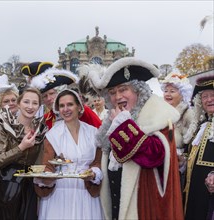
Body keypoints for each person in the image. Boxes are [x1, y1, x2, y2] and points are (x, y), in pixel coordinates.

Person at [80, 57, 183, 220]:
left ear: (138, 90)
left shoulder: (158, 116)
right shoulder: (112, 121)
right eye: (112, 92)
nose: (117, 96)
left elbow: (154, 156)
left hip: (146, 208)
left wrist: (123, 126)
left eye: (123, 89)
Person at [34, 89, 103, 219]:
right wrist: (47, 176)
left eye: (70, 104)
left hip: (86, 196)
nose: (66, 109)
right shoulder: (52, 135)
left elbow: (97, 162)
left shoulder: (93, 133)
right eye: (61, 106)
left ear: (79, 106)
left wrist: (93, 173)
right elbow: (47, 165)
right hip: (59, 196)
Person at [0, 87, 47, 220]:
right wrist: (21, 147)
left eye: (35, 103)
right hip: (5, 187)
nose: (30, 106)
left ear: (39, 106)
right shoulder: (4, 127)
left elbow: (37, 163)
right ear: (18, 103)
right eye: (26, 102)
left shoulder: (40, 130)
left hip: (28, 189)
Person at [25, 61, 102, 129]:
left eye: (52, 93)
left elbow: (101, 134)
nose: (49, 98)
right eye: (45, 96)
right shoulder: (46, 119)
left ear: (60, 93)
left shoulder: (82, 112)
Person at [183, 74, 214, 220]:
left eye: (213, 95)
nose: (209, 99)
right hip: (194, 191)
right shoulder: (200, 127)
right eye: (205, 96)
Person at [160, 72, 194, 189]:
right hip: (159, 165)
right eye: (166, 91)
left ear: (182, 94)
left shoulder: (189, 114)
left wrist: (183, 159)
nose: (168, 94)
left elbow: (193, 145)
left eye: (172, 91)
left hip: (178, 169)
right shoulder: (160, 113)